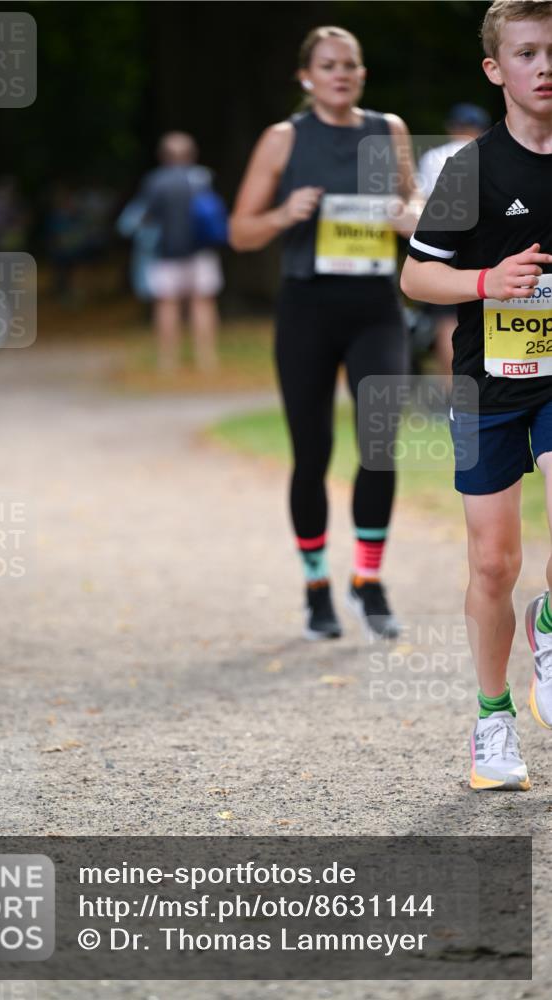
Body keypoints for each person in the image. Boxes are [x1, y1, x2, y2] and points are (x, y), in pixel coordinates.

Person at [401, 0, 552, 791]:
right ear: (496, 70)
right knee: (493, 564)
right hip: (486, 382)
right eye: (525, 53)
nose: (543, 67)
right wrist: (487, 282)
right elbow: (415, 275)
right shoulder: (470, 171)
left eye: (551, 52)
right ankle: (492, 721)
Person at [230, 25, 421, 640]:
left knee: (379, 443)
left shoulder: (386, 130)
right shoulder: (284, 140)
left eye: (351, 65)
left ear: (362, 75)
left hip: (374, 307)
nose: (341, 74)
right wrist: (285, 213)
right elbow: (240, 231)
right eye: (329, 65)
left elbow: (419, 211)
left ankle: (369, 580)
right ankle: (316, 586)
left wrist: (403, 217)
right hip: (307, 308)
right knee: (311, 454)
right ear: (306, 77)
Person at [132, 132, 224, 373]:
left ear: (163, 156)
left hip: (166, 253)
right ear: (191, 154)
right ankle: (207, 359)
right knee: (203, 303)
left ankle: (167, 361)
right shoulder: (203, 177)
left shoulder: (156, 181)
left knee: (167, 305)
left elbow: (146, 217)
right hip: (202, 252)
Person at [417, 104, 491, 390]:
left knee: (446, 319)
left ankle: (453, 390)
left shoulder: (434, 156)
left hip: (444, 241)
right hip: (482, 243)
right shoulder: (489, 153)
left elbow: (423, 205)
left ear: (452, 127)